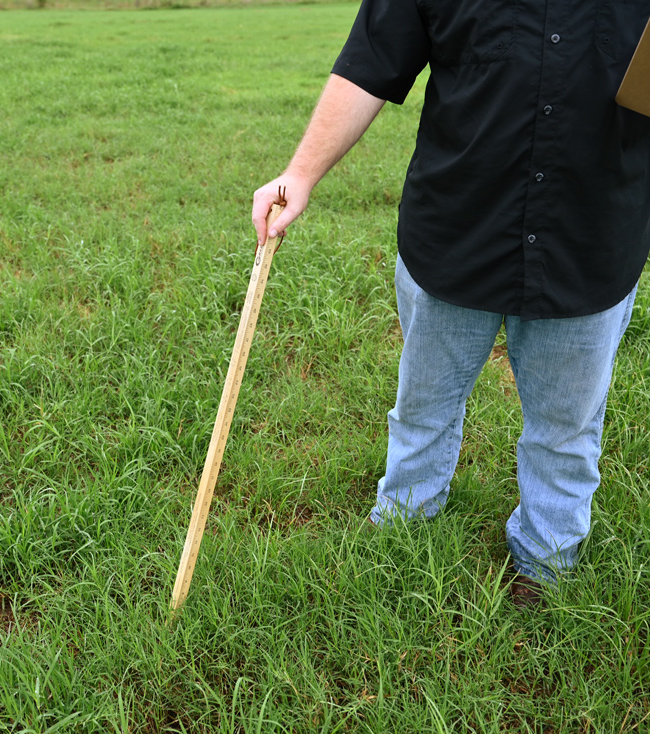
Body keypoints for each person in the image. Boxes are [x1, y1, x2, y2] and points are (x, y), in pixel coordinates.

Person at [252, 0, 650, 607]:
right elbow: (369, 64)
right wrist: (300, 173)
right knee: (423, 407)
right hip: (456, 234)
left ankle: (546, 562)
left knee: (567, 429)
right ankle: (405, 530)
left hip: (590, 240)